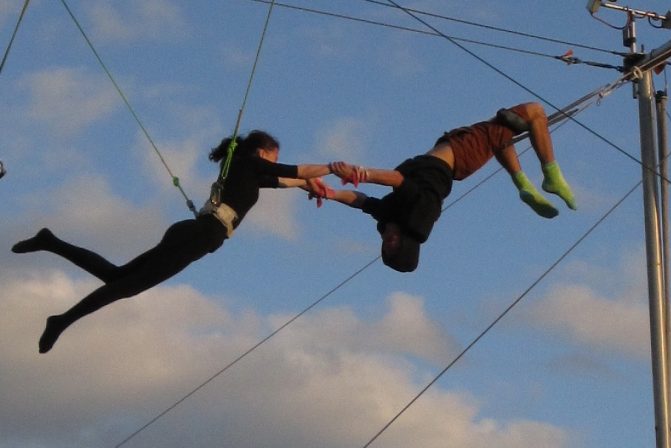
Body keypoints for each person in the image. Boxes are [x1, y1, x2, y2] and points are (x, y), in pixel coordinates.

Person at [11, 131, 330, 353]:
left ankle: (50, 241)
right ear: (263, 153)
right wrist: (331, 168)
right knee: (125, 287)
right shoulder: (247, 162)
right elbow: (294, 170)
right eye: (274, 156)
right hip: (199, 236)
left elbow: (284, 179)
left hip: (192, 234)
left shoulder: (244, 169)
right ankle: (61, 320)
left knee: (117, 278)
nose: (275, 162)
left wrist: (308, 186)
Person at [314, 102, 576, 273]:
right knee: (533, 112)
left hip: (455, 152)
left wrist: (330, 193)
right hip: (460, 155)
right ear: (405, 244)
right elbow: (398, 180)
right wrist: (361, 172)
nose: (387, 239)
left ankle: (523, 184)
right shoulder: (416, 218)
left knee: (500, 133)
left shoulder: (390, 217)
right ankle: (551, 175)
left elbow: (361, 201)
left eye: (385, 245)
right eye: (393, 244)